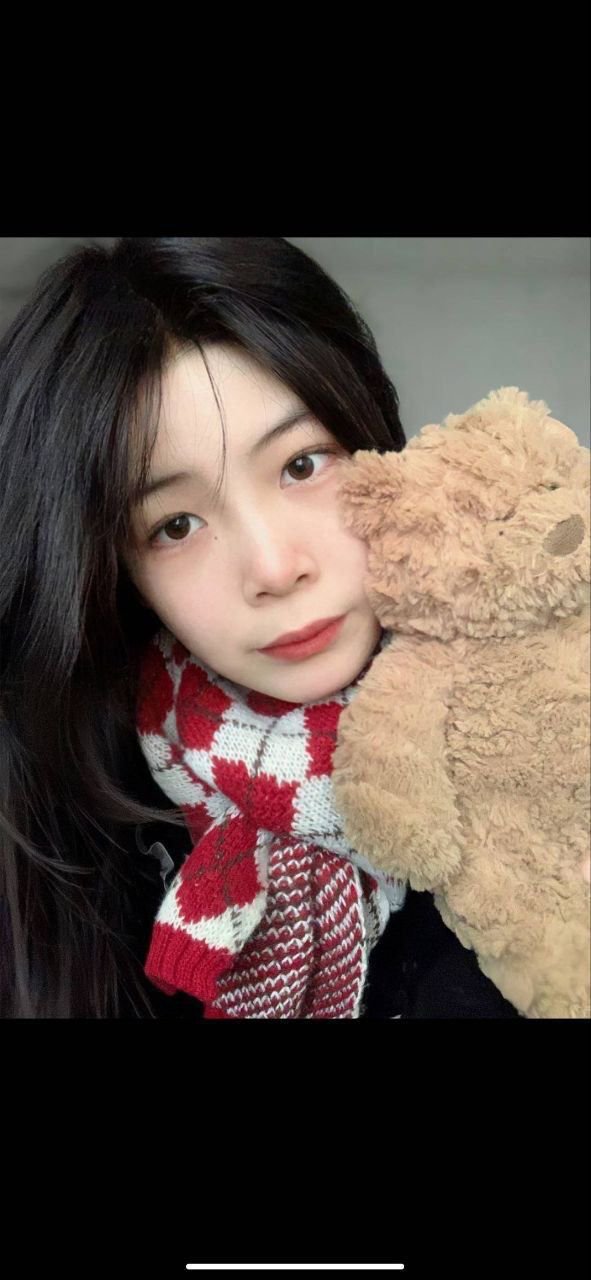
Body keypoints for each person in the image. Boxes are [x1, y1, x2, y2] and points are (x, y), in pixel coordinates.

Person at [0, 236, 518, 1018]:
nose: (273, 568)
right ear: (113, 570)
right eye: (174, 525)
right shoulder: (73, 836)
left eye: (302, 464)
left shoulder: (538, 735)